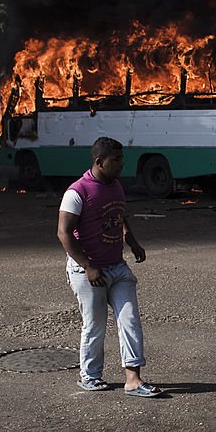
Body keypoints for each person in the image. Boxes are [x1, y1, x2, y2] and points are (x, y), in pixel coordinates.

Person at [57, 137, 163, 397]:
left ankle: (133, 379)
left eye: (121, 158)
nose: (121, 164)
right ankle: (90, 376)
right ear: (98, 162)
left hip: (117, 268)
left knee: (130, 320)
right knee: (95, 325)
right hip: (88, 271)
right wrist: (88, 266)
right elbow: (64, 233)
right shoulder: (77, 192)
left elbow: (119, 214)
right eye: (115, 160)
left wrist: (132, 241)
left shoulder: (115, 186)